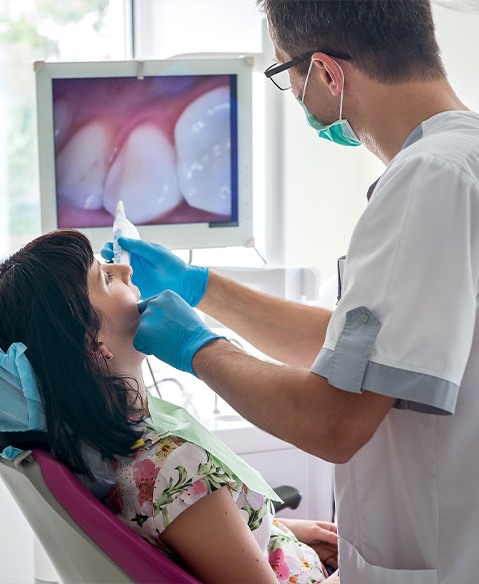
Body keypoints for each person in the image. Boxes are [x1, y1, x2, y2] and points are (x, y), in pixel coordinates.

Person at [101, 1, 479, 582]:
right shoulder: (460, 159)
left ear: (328, 73)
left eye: (287, 76)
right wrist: (201, 288)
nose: (297, 97)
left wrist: (199, 348)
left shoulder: (429, 179)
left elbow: (334, 422)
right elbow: (360, 356)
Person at [0, 229, 339, 584]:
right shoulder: (173, 465)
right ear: (93, 342)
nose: (126, 272)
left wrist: (274, 531)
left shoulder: (99, 456)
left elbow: (180, 536)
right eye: (105, 276)